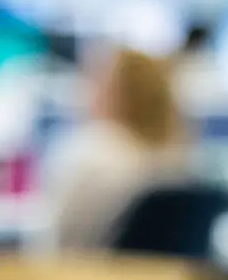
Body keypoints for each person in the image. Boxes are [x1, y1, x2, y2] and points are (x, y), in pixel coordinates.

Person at [43, 45, 194, 252]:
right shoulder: (176, 160)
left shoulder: (94, 148)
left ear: (115, 93)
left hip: (86, 276)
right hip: (156, 278)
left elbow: (57, 237)